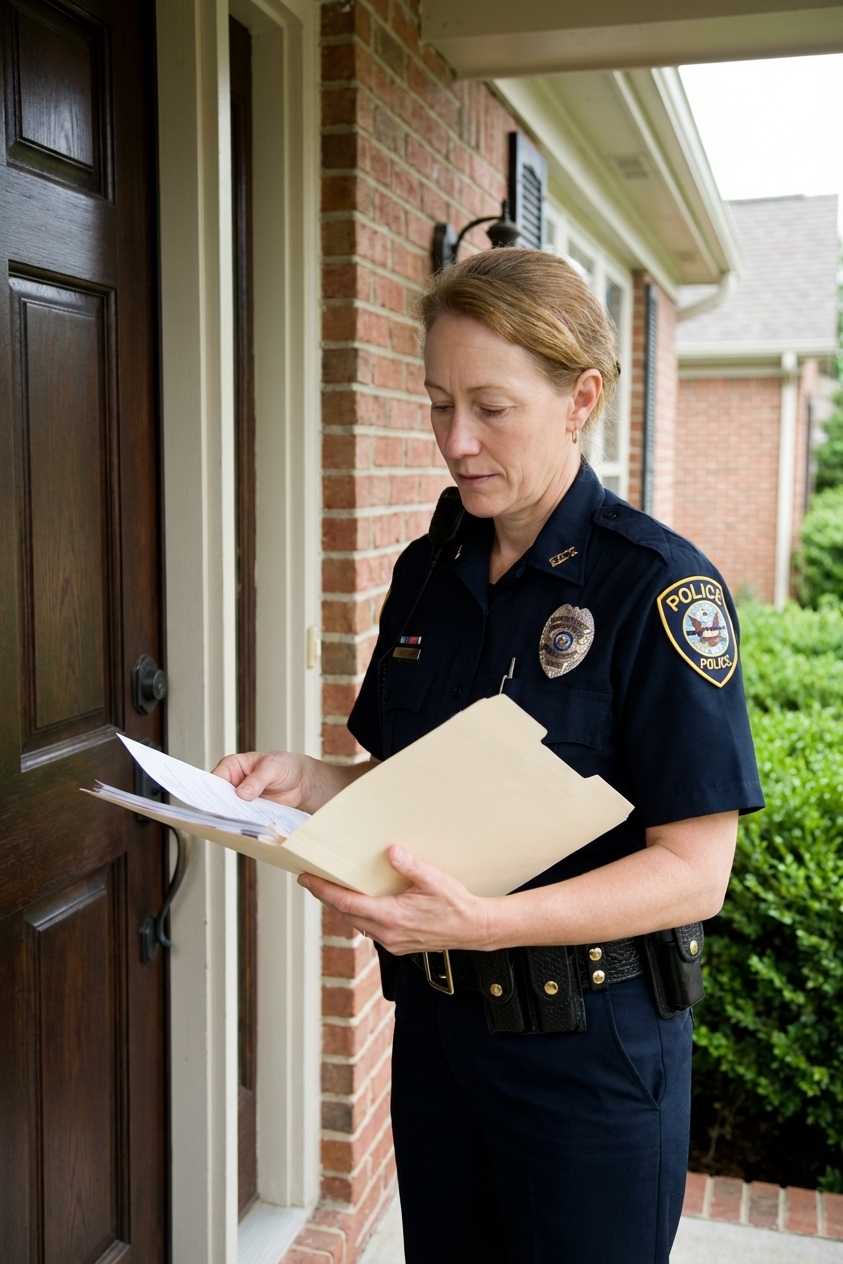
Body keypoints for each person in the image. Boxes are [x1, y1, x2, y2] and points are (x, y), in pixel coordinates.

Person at [214, 248, 764, 1264]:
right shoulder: (432, 566)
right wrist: (310, 779)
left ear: (580, 397)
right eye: (436, 404)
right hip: (441, 1039)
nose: (456, 441)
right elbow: (422, 784)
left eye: (490, 407)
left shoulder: (657, 587)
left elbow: (696, 872)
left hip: (590, 1053)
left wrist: (485, 923)